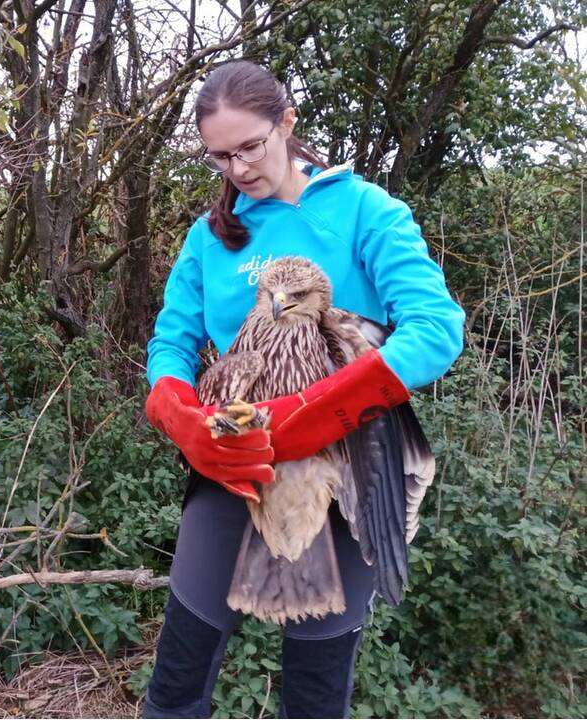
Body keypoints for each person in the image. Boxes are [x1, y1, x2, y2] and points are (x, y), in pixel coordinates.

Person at [142, 60, 465, 718]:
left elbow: (435, 329)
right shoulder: (211, 237)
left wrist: (310, 417)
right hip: (235, 463)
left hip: (344, 473)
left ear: (286, 123)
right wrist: (183, 420)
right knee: (177, 680)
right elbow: (172, 342)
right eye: (219, 157)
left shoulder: (365, 212)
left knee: (315, 696)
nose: (237, 170)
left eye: (250, 147)